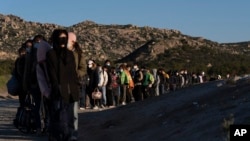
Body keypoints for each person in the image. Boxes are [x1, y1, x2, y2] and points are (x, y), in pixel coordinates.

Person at [46, 29, 79, 141]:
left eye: (65, 38)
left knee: (71, 117)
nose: (63, 40)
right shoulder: (51, 54)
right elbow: (52, 73)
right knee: (58, 116)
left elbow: (73, 72)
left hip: (71, 90)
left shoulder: (70, 54)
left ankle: (70, 136)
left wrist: (76, 86)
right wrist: (56, 88)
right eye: (60, 38)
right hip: (59, 90)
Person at [67, 32, 85, 139]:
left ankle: (73, 134)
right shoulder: (60, 52)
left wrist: (75, 74)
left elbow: (83, 68)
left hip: (73, 85)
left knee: (73, 112)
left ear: (73, 42)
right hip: (61, 85)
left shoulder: (79, 54)